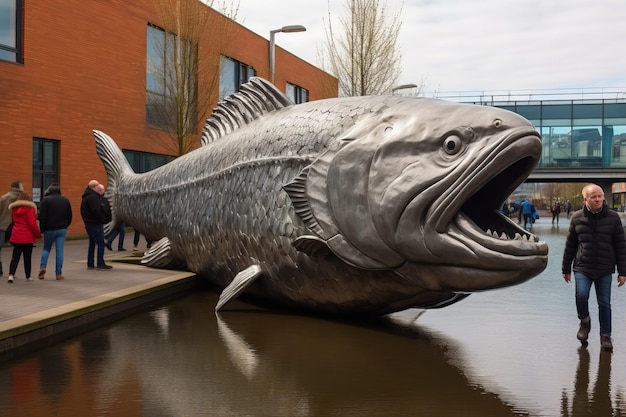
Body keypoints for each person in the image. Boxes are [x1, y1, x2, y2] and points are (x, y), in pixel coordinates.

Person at [562, 183, 626, 352]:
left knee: (604, 302)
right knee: (581, 295)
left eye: (600, 196)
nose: (598, 199)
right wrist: (565, 268)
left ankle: (605, 336)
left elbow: (621, 246)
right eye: (593, 197)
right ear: (586, 199)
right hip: (583, 267)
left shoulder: (613, 218)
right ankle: (585, 321)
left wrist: (623, 272)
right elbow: (570, 245)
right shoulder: (576, 218)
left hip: (605, 268)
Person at [38, 183, 73, 280]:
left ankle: (43, 267)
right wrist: (65, 225)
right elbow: (70, 216)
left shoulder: (45, 201)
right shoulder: (66, 200)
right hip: (61, 229)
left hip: (49, 229)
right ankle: (58, 273)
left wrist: (42, 229)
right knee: (60, 250)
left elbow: (42, 217)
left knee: (46, 249)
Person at [7, 191, 42, 283]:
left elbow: (13, 221)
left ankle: (11, 275)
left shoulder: (14, 209)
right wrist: (38, 235)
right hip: (27, 237)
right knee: (27, 257)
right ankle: (28, 276)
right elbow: (32, 224)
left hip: (16, 235)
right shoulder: (30, 209)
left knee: (15, 256)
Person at [80, 180, 112, 270]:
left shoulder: (85, 197)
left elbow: (82, 210)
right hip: (95, 223)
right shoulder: (93, 197)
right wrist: (102, 219)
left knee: (92, 243)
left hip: (89, 223)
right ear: (94, 187)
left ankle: (90, 262)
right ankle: (100, 262)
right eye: (98, 186)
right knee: (101, 243)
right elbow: (96, 211)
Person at [0, 181, 24, 276]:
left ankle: (0, 270)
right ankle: (12, 272)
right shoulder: (23, 199)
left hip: (3, 226)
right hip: (17, 227)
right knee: (17, 251)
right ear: (18, 187)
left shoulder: (4, 198)